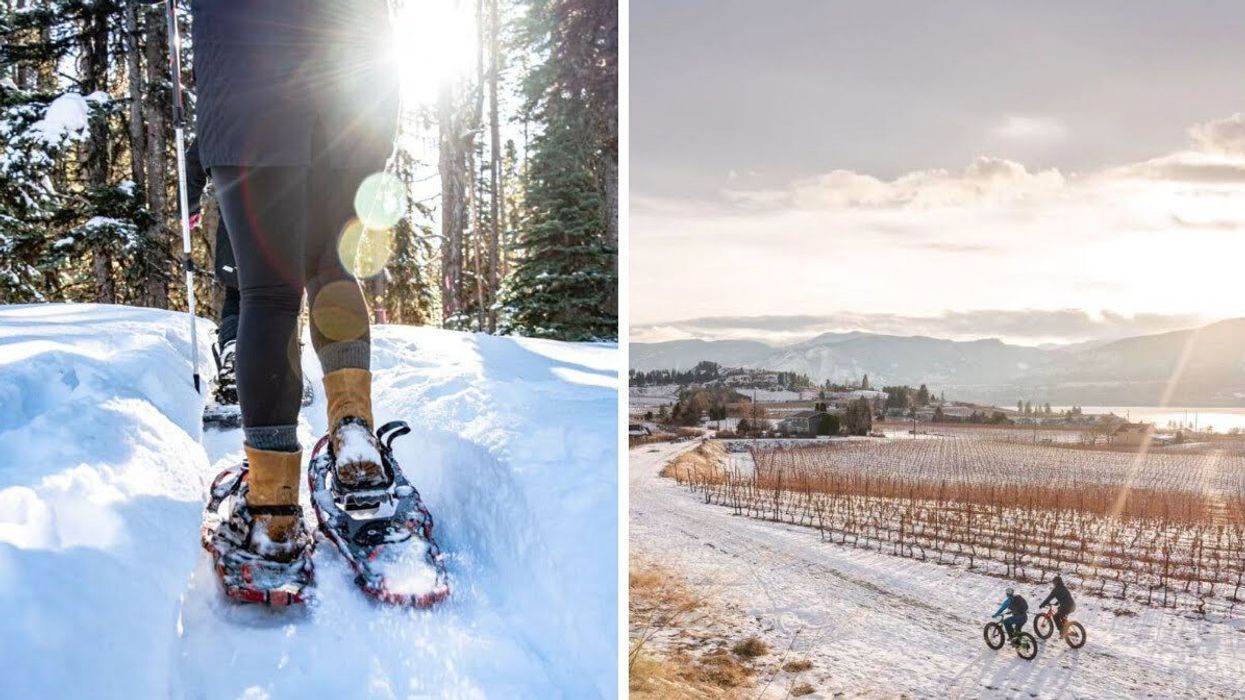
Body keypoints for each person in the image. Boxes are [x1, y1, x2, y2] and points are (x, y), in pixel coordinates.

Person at [187, 0, 400, 589]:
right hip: (348, 101)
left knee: (267, 295)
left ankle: (273, 504)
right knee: (332, 266)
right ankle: (354, 431)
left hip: (247, 103)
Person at [183, 137, 241, 406]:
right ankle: (239, 357)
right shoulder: (285, 100)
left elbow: (196, 156)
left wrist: (189, 204)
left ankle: (234, 355)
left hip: (237, 218)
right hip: (282, 218)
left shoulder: (222, 108)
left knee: (238, 292)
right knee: (274, 294)